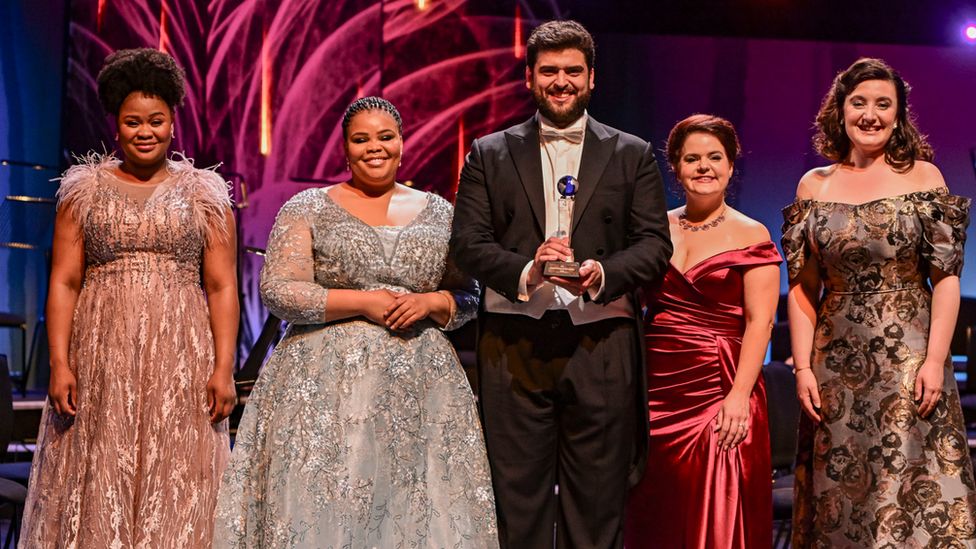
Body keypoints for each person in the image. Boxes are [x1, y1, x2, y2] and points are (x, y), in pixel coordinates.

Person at [213, 96, 497, 548]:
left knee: (410, 504)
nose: (374, 148)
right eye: (361, 139)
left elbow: (469, 297)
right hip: (324, 388)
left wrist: (429, 303)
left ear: (402, 143)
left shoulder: (441, 212)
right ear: (344, 149)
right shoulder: (308, 206)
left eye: (385, 137)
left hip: (420, 388)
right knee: (327, 499)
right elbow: (281, 290)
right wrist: (363, 303)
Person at [450, 20, 672, 548]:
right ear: (529, 78)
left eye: (573, 71)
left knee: (596, 508)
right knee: (516, 501)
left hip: (601, 343)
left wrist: (604, 273)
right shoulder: (489, 152)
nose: (561, 81)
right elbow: (468, 243)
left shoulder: (631, 152)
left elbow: (654, 246)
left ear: (592, 78)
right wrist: (528, 268)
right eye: (548, 71)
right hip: (513, 343)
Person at [19, 48, 238, 548]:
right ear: (115, 124)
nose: (146, 132)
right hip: (100, 353)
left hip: (180, 354)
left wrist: (223, 367)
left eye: (156, 121)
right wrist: (58, 361)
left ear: (173, 122)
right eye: (133, 122)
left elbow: (223, 286)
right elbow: (65, 281)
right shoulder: (83, 191)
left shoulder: (206, 193)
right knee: (99, 466)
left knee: (177, 469)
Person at [784, 57, 976, 547]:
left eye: (883, 104)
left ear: (899, 114)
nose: (870, 114)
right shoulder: (815, 185)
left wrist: (936, 361)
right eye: (859, 102)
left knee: (911, 487)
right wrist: (804, 368)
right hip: (835, 365)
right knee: (842, 495)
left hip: (909, 360)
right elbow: (804, 286)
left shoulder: (924, 178)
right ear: (841, 111)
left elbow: (947, 279)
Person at [623, 114, 779, 548]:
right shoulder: (654, 227)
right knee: (658, 508)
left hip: (721, 385)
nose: (703, 166)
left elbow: (760, 322)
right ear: (675, 166)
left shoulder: (752, 232)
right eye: (692, 158)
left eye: (715, 157)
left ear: (731, 166)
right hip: (656, 387)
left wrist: (738, 396)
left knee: (716, 507)